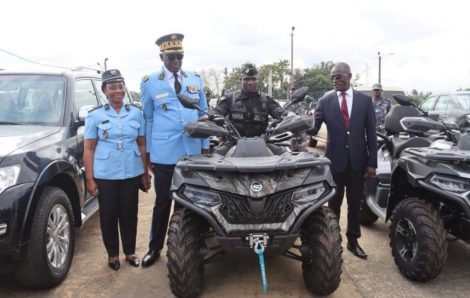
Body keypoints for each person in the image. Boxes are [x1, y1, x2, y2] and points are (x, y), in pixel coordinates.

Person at [140, 33, 209, 267]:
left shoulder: (195, 79)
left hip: (192, 152)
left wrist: (206, 146)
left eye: (179, 56)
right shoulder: (150, 82)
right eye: (171, 57)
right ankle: (154, 247)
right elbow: (148, 119)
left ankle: (193, 244)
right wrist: (149, 153)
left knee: (193, 201)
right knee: (163, 201)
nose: (175, 61)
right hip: (164, 153)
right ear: (162, 57)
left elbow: (204, 115)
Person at [307, 62, 377, 259]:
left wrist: (372, 163)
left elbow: (371, 134)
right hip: (335, 162)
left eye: (338, 76)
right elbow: (314, 128)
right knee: (334, 205)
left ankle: (353, 242)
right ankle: (333, 242)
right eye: (332, 77)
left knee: (355, 204)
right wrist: (301, 123)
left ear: (349, 76)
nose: (335, 80)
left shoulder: (365, 101)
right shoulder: (325, 101)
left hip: (358, 162)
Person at [84, 69, 150, 271]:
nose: (118, 90)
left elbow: (141, 144)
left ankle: (130, 252)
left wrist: (145, 172)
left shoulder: (136, 113)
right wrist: (89, 179)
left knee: (130, 214)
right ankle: (112, 255)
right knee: (109, 216)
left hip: (131, 172)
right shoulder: (95, 115)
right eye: (113, 87)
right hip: (106, 174)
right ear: (105, 90)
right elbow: (89, 149)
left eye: (121, 86)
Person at [209, 62, 284, 155]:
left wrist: (289, 115)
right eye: (246, 79)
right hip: (233, 144)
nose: (250, 83)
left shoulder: (267, 99)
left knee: (287, 160)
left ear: (258, 80)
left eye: (253, 79)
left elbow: (280, 112)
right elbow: (216, 112)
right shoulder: (230, 98)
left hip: (263, 144)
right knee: (214, 160)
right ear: (241, 80)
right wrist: (207, 117)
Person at [286, 87, 309, 152]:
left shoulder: (303, 105)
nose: (292, 95)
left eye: (293, 93)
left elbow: (307, 116)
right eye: (291, 94)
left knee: (303, 153)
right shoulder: (286, 106)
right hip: (291, 135)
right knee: (291, 154)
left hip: (302, 135)